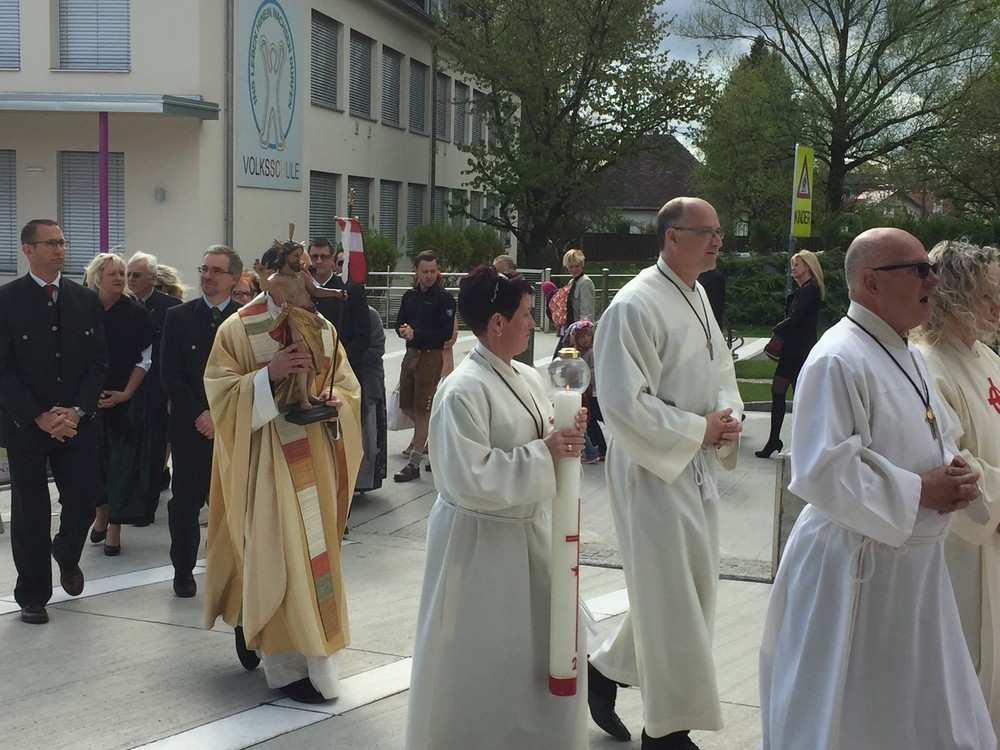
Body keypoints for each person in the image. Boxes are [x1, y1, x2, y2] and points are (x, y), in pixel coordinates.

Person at [758, 227, 996, 749]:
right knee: (856, 714)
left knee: (924, 713)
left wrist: (958, 475)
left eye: (931, 269)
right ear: (871, 282)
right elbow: (822, 469)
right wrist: (920, 491)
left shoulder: (905, 352)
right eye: (919, 270)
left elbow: (937, 434)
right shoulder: (836, 358)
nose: (933, 280)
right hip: (856, 569)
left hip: (914, 569)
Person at [404, 264, 589, 749]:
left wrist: (568, 428)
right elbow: (467, 476)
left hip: (527, 535)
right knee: (481, 659)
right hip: (479, 544)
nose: (533, 323)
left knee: (533, 654)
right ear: (497, 322)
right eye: (526, 314)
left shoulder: (526, 376)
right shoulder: (461, 390)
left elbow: (545, 434)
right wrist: (545, 453)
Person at [588, 197, 743, 749]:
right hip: (650, 465)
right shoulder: (634, 305)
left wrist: (728, 417)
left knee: (689, 589)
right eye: (707, 232)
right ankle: (668, 731)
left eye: (719, 232)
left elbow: (721, 369)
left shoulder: (697, 294)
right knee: (671, 595)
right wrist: (698, 428)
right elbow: (621, 403)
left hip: (692, 460)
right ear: (672, 236)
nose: (718, 241)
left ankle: (606, 670)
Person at [202, 275, 363, 704]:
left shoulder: (323, 328)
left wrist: (337, 406)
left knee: (310, 560)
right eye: (294, 276)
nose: (305, 287)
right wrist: (268, 375)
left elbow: (347, 386)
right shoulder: (238, 329)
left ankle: (288, 644)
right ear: (273, 279)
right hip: (264, 464)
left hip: (317, 462)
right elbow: (220, 394)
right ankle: (288, 663)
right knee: (276, 555)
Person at [0, 219, 108, 624]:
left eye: (62, 242)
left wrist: (76, 410)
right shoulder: (7, 300)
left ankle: (66, 550)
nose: (59, 249)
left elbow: (98, 361)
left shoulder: (84, 299)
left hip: (76, 421)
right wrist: (38, 415)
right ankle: (33, 594)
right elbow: (3, 367)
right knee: (31, 510)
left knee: (84, 498)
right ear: (28, 249)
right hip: (26, 424)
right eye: (50, 243)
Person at [914, 240, 1000, 739]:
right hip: (961, 548)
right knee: (966, 662)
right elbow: (949, 462)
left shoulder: (986, 357)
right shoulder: (927, 365)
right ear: (952, 294)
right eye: (988, 295)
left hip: (994, 540)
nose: (997, 307)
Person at [160, 245, 242, 598]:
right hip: (191, 429)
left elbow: (250, 376)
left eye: (216, 271)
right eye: (204, 269)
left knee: (235, 507)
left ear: (234, 278)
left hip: (234, 430)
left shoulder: (246, 319)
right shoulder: (179, 317)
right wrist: (200, 414)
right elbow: (170, 374)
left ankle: (233, 573)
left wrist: (222, 417)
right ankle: (183, 570)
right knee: (185, 504)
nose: (207, 276)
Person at [86, 253, 155, 556]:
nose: (119, 278)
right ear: (96, 277)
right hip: (87, 402)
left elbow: (145, 359)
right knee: (92, 465)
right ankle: (101, 513)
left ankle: (114, 527)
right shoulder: (83, 309)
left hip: (125, 402)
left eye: (122, 273)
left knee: (121, 466)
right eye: (112, 273)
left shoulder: (136, 313)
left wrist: (125, 393)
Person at [255, 241, 346, 413]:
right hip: (295, 318)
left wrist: (335, 293)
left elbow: (315, 291)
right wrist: (261, 274)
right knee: (303, 356)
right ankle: (303, 397)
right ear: (286, 257)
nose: (299, 260)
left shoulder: (302, 276)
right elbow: (265, 287)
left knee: (314, 356)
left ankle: (309, 393)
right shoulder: (278, 279)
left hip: (311, 315)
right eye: (296, 256)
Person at [126, 251, 181, 524]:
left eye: (137, 275)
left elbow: (175, 354)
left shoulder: (172, 308)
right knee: (130, 452)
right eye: (128, 275)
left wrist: (173, 394)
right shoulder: (122, 306)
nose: (131, 280)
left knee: (155, 452)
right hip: (128, 390)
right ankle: (129, 504)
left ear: (153, 278)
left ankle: (145, 510)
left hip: (159, 390)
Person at [393, 250, 456, 482]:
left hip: (431, 356)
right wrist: (403, 331)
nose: (429, 276)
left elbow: (445, 334)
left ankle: (414, 462)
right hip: (411, 354)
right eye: (425, 271)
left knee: (422, 409)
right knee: (406, 404)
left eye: (433, 271)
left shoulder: (444, 298)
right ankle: (438, 433)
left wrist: (416, 333)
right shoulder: (409, 296)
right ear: (416, 272)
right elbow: (399, 322)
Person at [755, 250, 825, 458]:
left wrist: (777, 328)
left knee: (788, 393)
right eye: (793, 264)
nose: (793, 268)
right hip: (795, 349)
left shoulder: (809, 290)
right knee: (790, 393)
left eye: (797, 264)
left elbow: (796, 318)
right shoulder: (805, 290)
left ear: (808, 267)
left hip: (798, 350)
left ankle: (791, 441)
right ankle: (779, 440)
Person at [309, 238, 370, 386]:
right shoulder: (300, 291)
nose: (318, 261)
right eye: (314, 257)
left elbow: (362, 336)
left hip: (343, 372)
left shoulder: (351, 290)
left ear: (332, 260)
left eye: (324, 257)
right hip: (309, 372)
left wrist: (338, 362)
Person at [355, 306, 388, 493]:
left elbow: (376, 349)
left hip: (367, 379)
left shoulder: (370, 315)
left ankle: (363, 480)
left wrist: (348, 355)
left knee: (367, 431)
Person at [565, 319, 606, 464]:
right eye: (582, 336)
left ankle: (602, 448)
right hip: (586, 392)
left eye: (588, 335)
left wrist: (583, 374)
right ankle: (598, 447)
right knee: (591, 420)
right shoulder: (579, 351)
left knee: (593, 420)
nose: (586, 339)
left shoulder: (591, 352)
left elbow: (594, 371)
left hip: (593, 391)